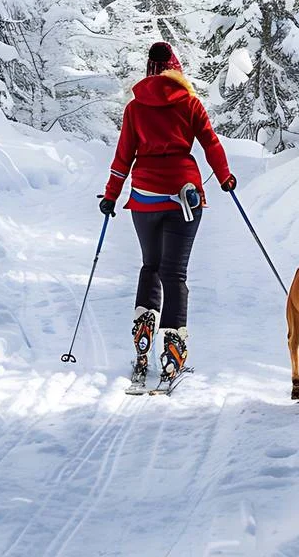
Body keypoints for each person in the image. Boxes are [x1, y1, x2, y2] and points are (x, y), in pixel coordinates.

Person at [100, 41, 236, 389]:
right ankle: (173, 350)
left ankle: (144, 325)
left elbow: (122, 158)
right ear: (177, 69)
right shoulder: (189, 102)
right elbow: (210, 144)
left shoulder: (134, 108)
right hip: (182, 198)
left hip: (144, 198)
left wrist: (111, 197)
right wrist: (224, 177)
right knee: (174, 274)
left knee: (151, 266)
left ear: (149, 68)